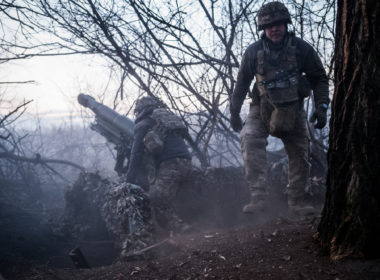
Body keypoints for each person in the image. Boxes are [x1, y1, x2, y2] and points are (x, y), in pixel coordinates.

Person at [229, 1, 329, 216]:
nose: (274, 28)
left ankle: (297, 201)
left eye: (279, 24)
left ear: (286, 24)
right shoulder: (253, 52)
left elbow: (319, 78)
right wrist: (234, 112)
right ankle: (258, 198)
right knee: (250, 139)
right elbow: (241, 84)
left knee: (300, 154)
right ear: (263, 28)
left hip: (292, 109)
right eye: (269, 25)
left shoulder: (302, 49)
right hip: (260, 107)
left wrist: (322, 106)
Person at [126, 96, 192, 235]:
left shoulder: (142, 124)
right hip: (186, 163)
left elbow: (136, 154)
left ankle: (182, 230)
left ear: (140, 111)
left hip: (170, 166)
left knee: (156, 201)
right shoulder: (167, 120)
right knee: (172, 197)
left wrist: (129, 181)